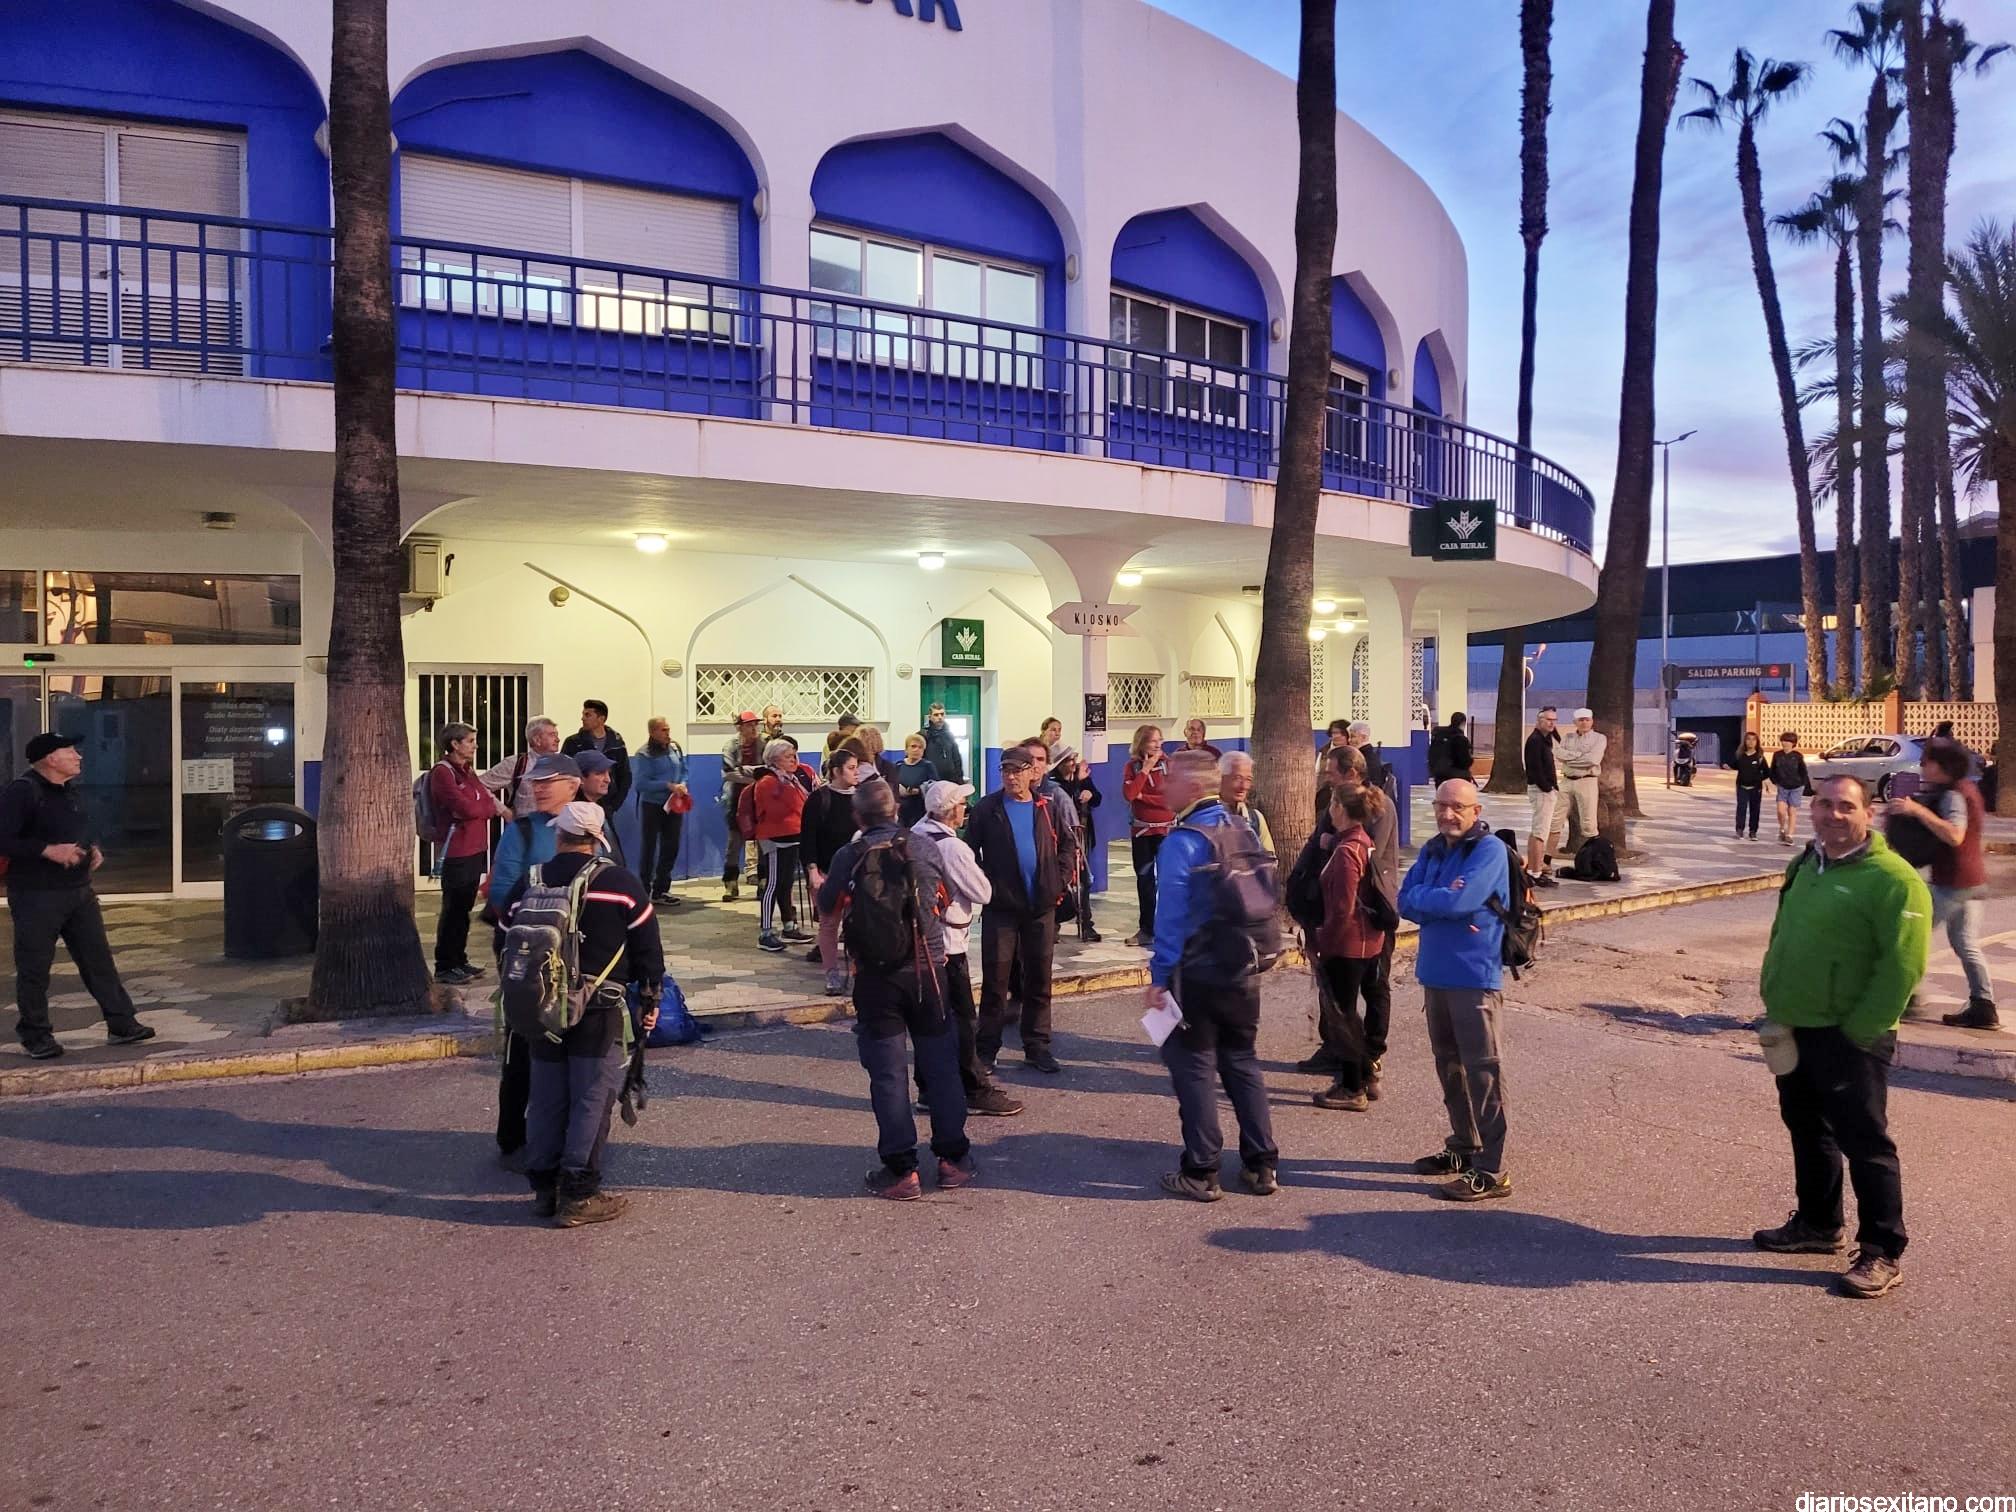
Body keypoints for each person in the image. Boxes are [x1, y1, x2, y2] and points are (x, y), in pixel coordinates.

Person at [1753, 774, 1929, 1299]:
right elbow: (1784, 933)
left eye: (1846, 806)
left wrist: (1862, 1031)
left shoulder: (1894, 880)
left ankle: (1882, 1250)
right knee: (1808, 1128)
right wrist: (1775, 1000)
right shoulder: (1806, 864)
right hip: (1795, 1022)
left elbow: (1903, 967)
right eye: (1825, 804)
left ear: (1868, 814)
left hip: (1851, 1033)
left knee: (1865, 1142)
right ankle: (1818, 1223)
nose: (1833, 814)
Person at [817, 779, 976, 1198]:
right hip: (928, 971)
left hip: (875, 977)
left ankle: (902, 1170)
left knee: (887, 1074)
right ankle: (952, 1160)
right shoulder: (924, 847)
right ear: (896, 810)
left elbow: (827, 910)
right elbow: (943, 901)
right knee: (941, 1066)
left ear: (857, 816)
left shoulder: (848, 855)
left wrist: (835, 967)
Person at [510, 801, 664, 1228]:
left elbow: (504, 934)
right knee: (591, 1098)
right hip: (598, 1007)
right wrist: (650, 1000)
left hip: (540, 1007)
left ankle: (544, 1189)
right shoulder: (621, 882)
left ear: (559, 835)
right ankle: (579, 1195)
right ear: (597, 839)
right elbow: (648, 949)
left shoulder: (532, 879)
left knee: (546, 1096)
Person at [1146, 748, 1279, 1201]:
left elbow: (1170, 918)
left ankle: (1201, 1170)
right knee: (1241, 1060)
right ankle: (1262, 1164)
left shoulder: (1183, 841)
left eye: (1169, 778)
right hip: (1244, 966)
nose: (1163, 786)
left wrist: (1159, 977)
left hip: (1198, 971)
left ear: (1191, 786)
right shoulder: (1243, 826)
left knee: (1194, 1068)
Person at [0, 732, 155, 1059]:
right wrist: (47, 850)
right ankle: (35, 1035)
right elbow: (4, 839)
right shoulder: (23, 791)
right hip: (36, 894)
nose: (78, 756)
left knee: (98, 960)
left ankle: (121, 1023)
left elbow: (78, 829)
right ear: (50, 759)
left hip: (79, 891)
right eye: (70, 750)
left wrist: (93, 848)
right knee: (35, 967)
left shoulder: (70, 791)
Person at [1399, 779, 1513, 1202]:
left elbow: (1459, 904)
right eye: (1441, 805)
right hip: (1435, 973)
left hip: (1474, 977)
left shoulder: (1489, 851)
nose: (1447, 814)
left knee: (1483, 1071)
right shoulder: (1432, 850)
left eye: (1458, 807)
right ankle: (1464, 1146)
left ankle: (1491, 1170)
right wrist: (1440, 900)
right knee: (1448, 1066)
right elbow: (1403, 900)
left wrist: (1436, 901)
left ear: (1476, 811)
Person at [487, 752, 582, 1161]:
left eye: (548, 781)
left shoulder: (591, 824)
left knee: (574, 1048)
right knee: (523, 1045)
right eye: (535, 782)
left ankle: (569, 1134)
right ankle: (512, 1137)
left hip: (577, 957)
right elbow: (500, 890)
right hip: (529, 952)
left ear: (573, 786)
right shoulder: (523, 830)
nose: (538, 788)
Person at [912, 779, 1023, 1117]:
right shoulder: (953, 847)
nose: (965, 809)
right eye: (961, 803)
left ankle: (927, 1089)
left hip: (921, 945)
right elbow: (982, 892)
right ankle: (975, 1089)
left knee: (930, 1021)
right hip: (948, 945)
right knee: (962, 1021)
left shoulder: (915, 834)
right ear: (949, 811)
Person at [1290, 745, 1398, 1086]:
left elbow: (1367, 855)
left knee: (1372, 987)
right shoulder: (1335, 803)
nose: (1327, 777)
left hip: (1368, 913)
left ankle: (1368, 1058)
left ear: (1351, 772)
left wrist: (1332, 843)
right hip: (1336, 906)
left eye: (1332, 772)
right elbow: (1318, 844)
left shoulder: (1376, 808)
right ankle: (1336, 1049)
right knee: (1338, 994)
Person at [969, 746, 1078, 1074]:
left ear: (1032, 772)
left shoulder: (1046, 806)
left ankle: (1037, 1045)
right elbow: (969, 852)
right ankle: (986, 1049)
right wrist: (987, 885)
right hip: (1001, 908)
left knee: (1039, 979)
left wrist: (1058, 881)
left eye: (1017, 771)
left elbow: (1068, 845)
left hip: (1041, 907)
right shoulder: (987, 808)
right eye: (1006, 771)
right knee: (996, 981)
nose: (1011, 777)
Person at [1895, 739, 1997, 1030]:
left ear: (1943, 766)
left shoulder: (1953, 795)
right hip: (1972, 879)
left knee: (1912, 936)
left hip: (1953, 881)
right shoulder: (1967, 789)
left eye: (1927, 762)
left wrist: (1917, 811)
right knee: (1965, 943)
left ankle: (1908, 998)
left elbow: (1954, 835)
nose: (1923, 768)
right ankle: (1983, 1005)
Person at [1308, 786, 1394, 1112]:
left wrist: (1322, 943)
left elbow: (1342, 909)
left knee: (1343, 1017)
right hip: (1366, 941)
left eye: (1332, 803)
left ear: (1340, 808)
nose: (1329, 810)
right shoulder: (1361, 841)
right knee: (1351, 1014)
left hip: (1347, 945)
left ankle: (1351, 1086)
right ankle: (1364, 1073)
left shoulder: (1346, 852)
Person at [427, 721, 505, 985]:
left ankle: (459, 959)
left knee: (464, 908)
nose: (475, 746)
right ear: (455, 744)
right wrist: (480, 807)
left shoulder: (467, 771)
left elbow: (485, 801)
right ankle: (445, 965)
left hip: (474, 847)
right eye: (470, 741)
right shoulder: (443, 773)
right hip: (457, 850)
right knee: (454, 908)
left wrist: (480, 807)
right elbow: (467, 808)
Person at [738, 738, 814, 953]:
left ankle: (789, 926)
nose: (794, 760)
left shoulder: (790, 780)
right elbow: (777, 812)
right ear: (775, 759)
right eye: (788, 756)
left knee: (786, 883)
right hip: (775, 838)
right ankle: (765, 932)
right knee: (772, 884)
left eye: (794, 755)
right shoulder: (768, 782)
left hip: (792, 837)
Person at [802, 747, 864, 994]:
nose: (856, 772)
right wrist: (813, 872)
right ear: (836, 771)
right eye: (851, 768)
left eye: (857, 767)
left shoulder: (862, 798)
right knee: (829, 924)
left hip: (858, 875)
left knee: (857, 924)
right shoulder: (819, 799)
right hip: (826, 873)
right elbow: (808, 838)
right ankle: (832, 974)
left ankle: (859, 972)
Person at [1122, 724, 1173, 948]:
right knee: (1145, 881)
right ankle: (1146, 930)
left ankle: (1168, 930)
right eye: (1153, 740)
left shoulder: (1169, 765)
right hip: (1142, 832)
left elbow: (1169, 801)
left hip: (1166, 832)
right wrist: (1145, 770)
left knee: (1168, 881)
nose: (1158, 744)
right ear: (1142, 743)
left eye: (1160, 740)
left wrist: (1144, 797)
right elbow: (1129, 794)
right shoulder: (1132, 767)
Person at [632, 716, 688, 906]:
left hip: (674, 805)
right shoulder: (644, 754)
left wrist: (682, 784)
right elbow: (641, 784)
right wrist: (667, 786)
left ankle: (661, 889)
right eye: (663, 730)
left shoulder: (675, 748)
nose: (667, 733)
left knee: (671, 846)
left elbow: (684, 770)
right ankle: (643, 891)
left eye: (668, 729)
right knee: (649, 848)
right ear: (652, 732)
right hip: (652, 806)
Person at [1052, 749, 1104, 943]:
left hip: (1081, 835)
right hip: (1060, 838)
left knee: (1084, 880)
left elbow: (1097, 798)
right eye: (1069, 760)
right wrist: (1077, 783)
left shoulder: (1081, 778)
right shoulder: (1053, 783)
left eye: (1074, 759)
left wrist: (1089, 792)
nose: (1073, 763)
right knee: (1060, 880)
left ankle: (1086, 924)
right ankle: (1054, 924)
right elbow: (1063, 800)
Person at [718, 712, 766, 900]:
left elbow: (769, 769)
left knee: (763, 841)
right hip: (736, 800)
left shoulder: (764, 744)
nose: (754, 728)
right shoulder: (730, 746)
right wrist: (756, 777)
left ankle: (763, 882)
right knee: (734, 844)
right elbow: (728, 773)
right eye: (749, 725)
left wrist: (746, 772)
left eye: (755, 725)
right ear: (739, 727)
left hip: (760, 799)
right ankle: (730, 883)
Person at [480, 716, 562, 818]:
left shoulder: (564, 764)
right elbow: (480, 785)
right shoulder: (516, 763)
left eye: (557, 735)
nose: (558, 740)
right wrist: (504, 811)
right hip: (526, 825)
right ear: (537, 740)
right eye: (552, 735)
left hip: (558, 826)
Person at [562, 700, 630, 821]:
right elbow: (565, 775)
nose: (582, 718)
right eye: (583, 714)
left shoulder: (617, 744)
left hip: (607, 804)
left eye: (588, 715)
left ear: (601, 719)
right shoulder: (573, 743)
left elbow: (625, 776)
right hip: (580, 803)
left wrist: (614, 805)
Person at [1556, 708, 1605, 856]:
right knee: (1555, 819)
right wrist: (1580, 756)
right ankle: (1547, 858)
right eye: (1581, 720)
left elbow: (1593, 760)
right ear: (1575, 722)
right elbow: (1558, 754)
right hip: (1566, 781)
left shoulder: (1599, 738)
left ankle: (1592, 857)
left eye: (1587, 720)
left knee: (1589, 822)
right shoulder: (1567, 737)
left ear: (1592, 721)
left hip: (1587, 781)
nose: (1584, 723)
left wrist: (1569, 759)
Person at [1522, 706, 1562, 887]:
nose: (1552, 723)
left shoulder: (1545, 739)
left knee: (1537, 831)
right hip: (1541, 791)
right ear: (1539, 721)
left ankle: (1533, 869)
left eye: (1554, 720)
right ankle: (1536, 872)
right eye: (1548, 720)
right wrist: (1547, 788)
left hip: (1544, 790)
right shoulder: (1535, 741)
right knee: (1540, 833)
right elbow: (1535, 769)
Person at [1218, 750, 1273, 855]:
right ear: (1220, 778)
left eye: (1248, 779)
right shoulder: (1207, 817)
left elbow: (1270, 857)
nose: (1244, 786)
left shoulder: (1255, 818)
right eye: (1237, 778)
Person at [1770, 731, 1812, 847]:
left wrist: (1803, 784)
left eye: (1788, 741)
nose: (1785, 743)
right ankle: (1782, 828)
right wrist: (1775, 781)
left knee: (1792, 811)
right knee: (1781, 810)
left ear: (1793, 743)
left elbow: (1803, 771)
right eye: (1784, 740)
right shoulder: (1777, 755)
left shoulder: (1798, 756)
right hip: (1782, 786)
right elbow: (1772, 770)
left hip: (1796, 786)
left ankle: (1790, 835)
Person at [892, 733, 938, 828]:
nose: (916, 749)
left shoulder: (928, 766)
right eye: (913, 746)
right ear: (906, 749)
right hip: (901, 813)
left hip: (920, 812)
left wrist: (919, 790)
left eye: (920, 747)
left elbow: (935, 787)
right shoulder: (898, 766)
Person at [1731, 730, 1769, 843]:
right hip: (1742, 786)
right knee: (1741, 808)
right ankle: (1739, 829)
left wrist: (1759, 779)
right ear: (1745, 741)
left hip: (1756, 788)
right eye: (1748, 739)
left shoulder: (1760, 757)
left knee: (1755, 809)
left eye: (1753, 740)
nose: (1751, 742)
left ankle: (1753, 831)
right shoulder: (1740, 755)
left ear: (1757, 742)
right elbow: (1734, 765)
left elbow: (1767, 772)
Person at [922, 701, 964, 784]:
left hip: (950, 781)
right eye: (936, 715)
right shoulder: (923, 736)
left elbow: (957, 759)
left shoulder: (950, 736)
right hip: (930, 782)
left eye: (942, 714)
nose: (940, 717)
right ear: (930, 717)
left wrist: (960, 781)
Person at [1430, 712, 1473, 784]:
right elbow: (1465, 761)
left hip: (1438, 774)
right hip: (1457, 776)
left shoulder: (1439, 735)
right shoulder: (1461, 739)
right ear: (1463, 723)